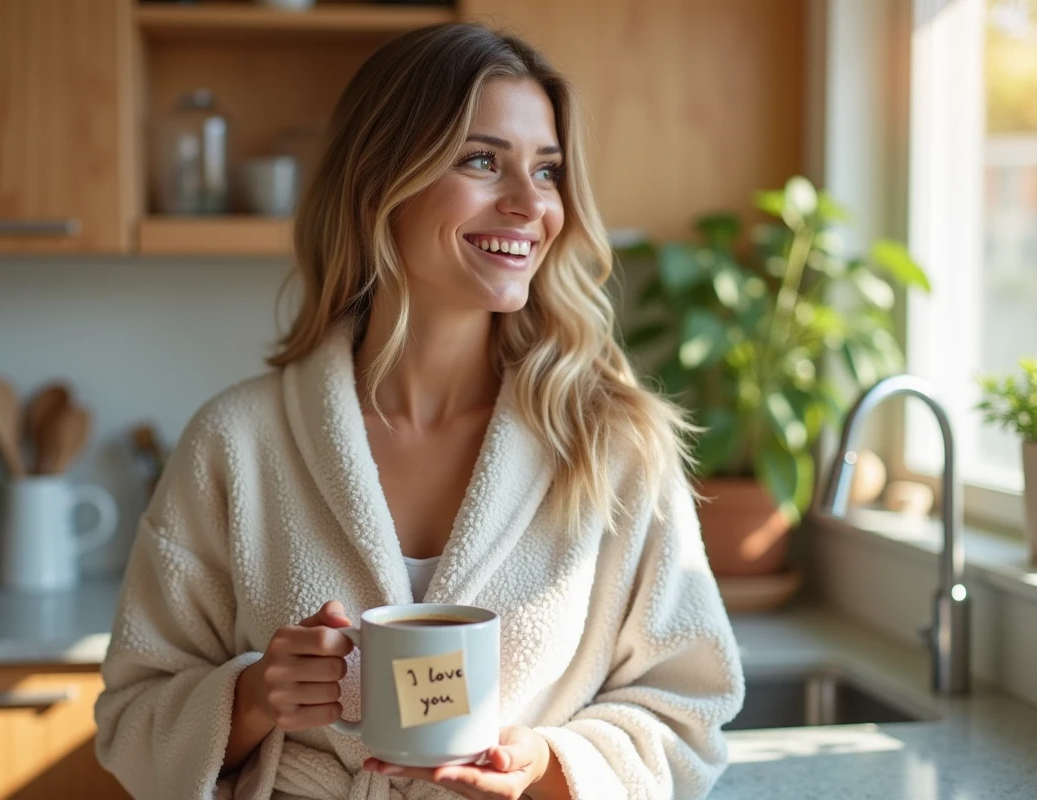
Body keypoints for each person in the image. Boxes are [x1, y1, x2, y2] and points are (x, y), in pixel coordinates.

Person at [95, 22, 744, 800]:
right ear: (380, 182)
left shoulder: (614, 447)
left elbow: (691, 714)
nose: (527, 204)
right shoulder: (236, 443)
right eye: (481, 160)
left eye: (547, 171)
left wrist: (547, 769)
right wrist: (255, 696)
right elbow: (132, 715)